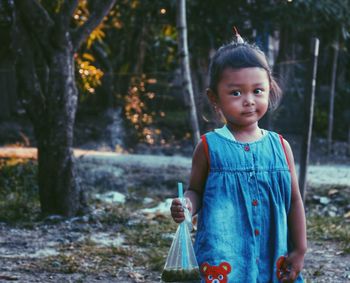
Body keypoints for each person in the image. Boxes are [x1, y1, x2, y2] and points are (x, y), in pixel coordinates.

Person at [170, 29, 307, 283]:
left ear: (270, 90)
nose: (249, 100)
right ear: (215, 98)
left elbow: (294, 201)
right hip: (224, 257)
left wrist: (299, 250)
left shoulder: (281, 147)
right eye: (236, 93)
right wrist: (187, 205)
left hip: (272, 255)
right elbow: (195, 191)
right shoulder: (208, 147)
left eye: (258, 91)